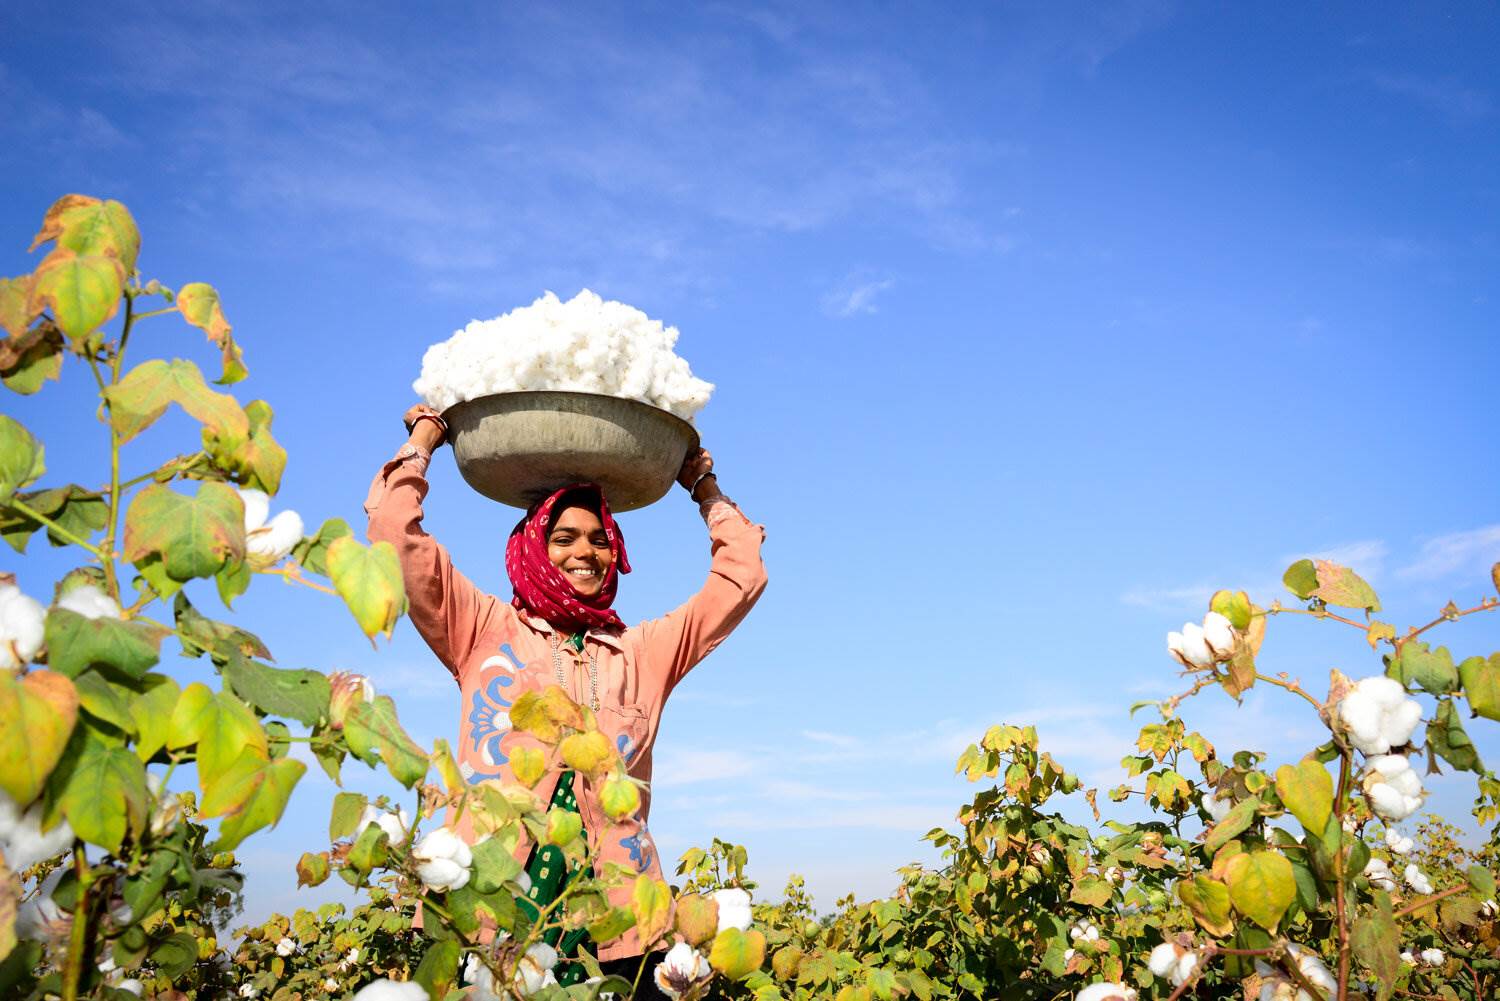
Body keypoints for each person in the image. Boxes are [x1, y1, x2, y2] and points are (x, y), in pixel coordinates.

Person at [365, 402, 767, 994]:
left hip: (619, 917)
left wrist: (702, 487)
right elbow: (395, 538)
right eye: (563, 537)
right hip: (490, 905)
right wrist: (425, 442)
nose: (585, 552)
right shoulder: (481, 630)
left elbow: (742, 575)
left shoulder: (642, 652)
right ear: (531, 545)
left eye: (600, 539)